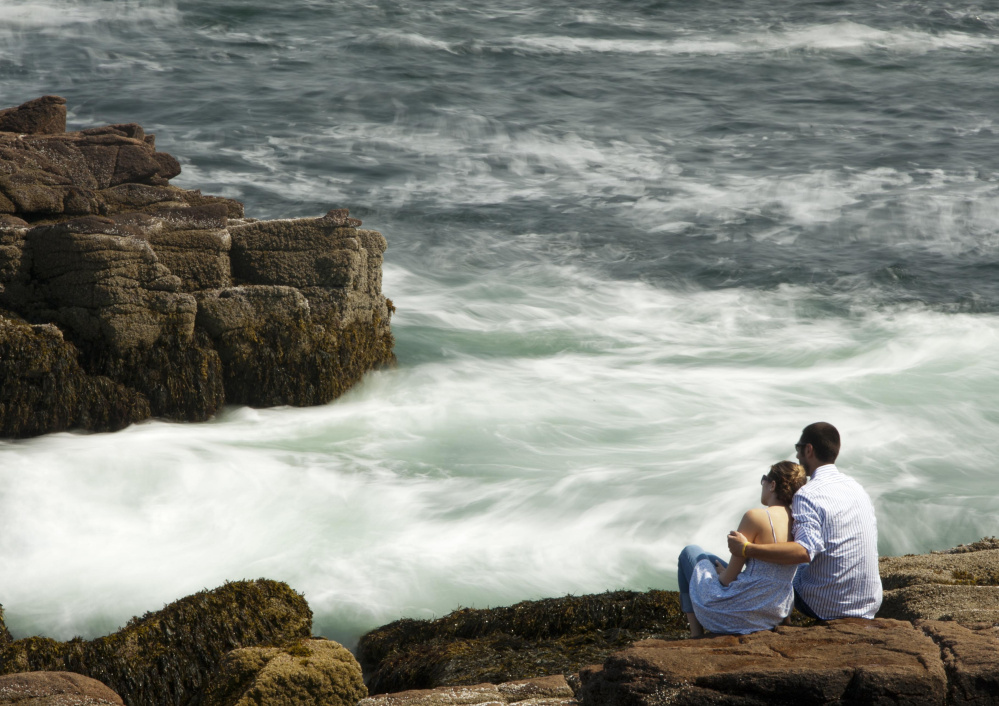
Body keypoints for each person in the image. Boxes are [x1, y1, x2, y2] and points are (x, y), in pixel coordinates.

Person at [727, 422, 882, 621]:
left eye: (798, 449)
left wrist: (747, 549)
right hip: (869, 602)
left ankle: (769, 613)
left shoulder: (807, 494)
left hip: (829, 605)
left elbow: (804, 552)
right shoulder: (857, 488)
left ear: (808, 449)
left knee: (782, 569)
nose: (797, 457)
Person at [677, 461, 806, 636]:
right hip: (772, 614)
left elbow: (727, 581)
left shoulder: (755, 517)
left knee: (689, 552)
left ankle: (696, 634)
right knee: (707, 556)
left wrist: (723, 573)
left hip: (733, 615)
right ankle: (786, 621)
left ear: (773, 485)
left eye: (764, 480)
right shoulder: (800, 522)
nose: (762, 484)